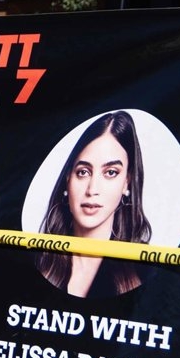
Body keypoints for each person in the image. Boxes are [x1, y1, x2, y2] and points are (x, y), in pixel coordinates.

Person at [36, 111, 152, 298]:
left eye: (111, 172)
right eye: (83, 172)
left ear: (127, 182)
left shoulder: (147, 269)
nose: (92, 189)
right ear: (68, 179)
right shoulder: (36, 259)